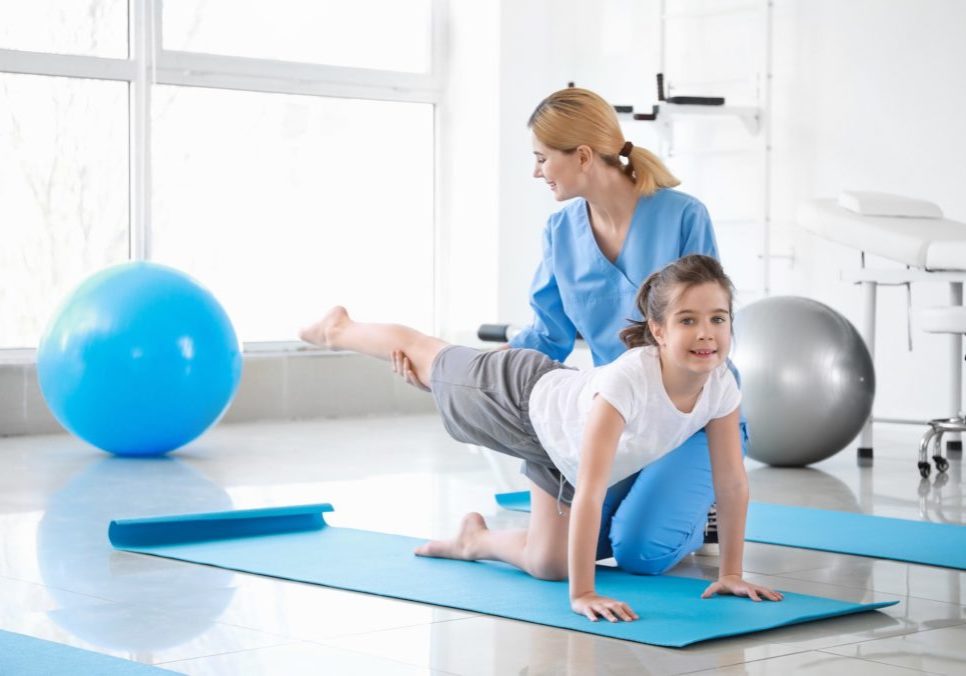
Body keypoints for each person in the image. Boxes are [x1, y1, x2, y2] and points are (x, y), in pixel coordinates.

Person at [301, 255, 781, 623]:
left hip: (563, 449)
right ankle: (338, 329)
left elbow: (732, 484)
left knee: (550, 563)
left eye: (719, 318)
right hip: (519, 398)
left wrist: (731, 573)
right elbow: (593, 489)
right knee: (430, 357)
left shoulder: (720, 384)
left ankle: (475, 540)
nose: (707, 334)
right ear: (657, 329)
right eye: (688, 320)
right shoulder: (628, 381)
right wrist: (585, 593)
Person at [393, 87, 744, 574]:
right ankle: (478, 540)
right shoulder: (561, 231)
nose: (536, 172)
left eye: (542, 158)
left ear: (581, 156)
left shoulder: (683, 216)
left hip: (689, 416)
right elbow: (546, 337)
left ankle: (694, 504)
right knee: (554, 559)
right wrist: (465, 376)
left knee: (640, 552)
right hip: (616, 416)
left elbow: (715, 321)